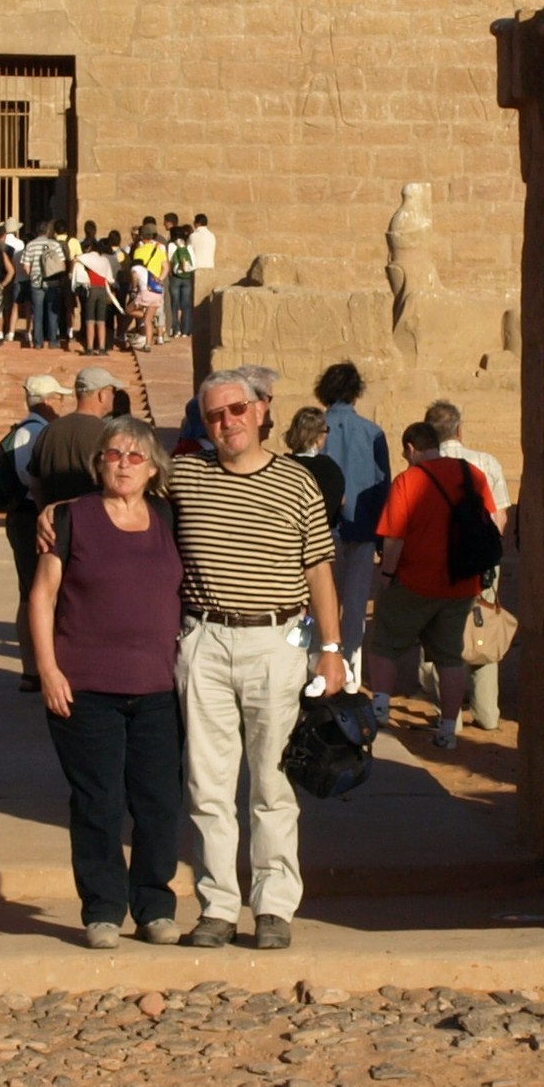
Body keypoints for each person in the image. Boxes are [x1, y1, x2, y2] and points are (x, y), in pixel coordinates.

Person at [162, 366, 344, 950]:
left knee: (273, 783)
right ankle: (217, 905)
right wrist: (54, 509)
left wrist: (333, 651)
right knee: (208, 784)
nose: (227, 423)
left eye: (236, 410)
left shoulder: (297, 483)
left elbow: (319, 569)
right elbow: (122, 479)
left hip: (277, 641)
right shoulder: (185, 476)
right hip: (206, 641)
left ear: (262, 411)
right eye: (215, 414)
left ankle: (273, 907)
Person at [23, 415, 188, 949]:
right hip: (85, 687)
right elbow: (43, 596)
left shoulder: (167, 515)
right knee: (98, 802)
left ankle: (155, 906)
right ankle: (102, 910)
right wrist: (47, 669)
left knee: (158, 802)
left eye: (135, 457)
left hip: (158, 689)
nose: (123, 464)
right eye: (114, 454)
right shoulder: (71, 518)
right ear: (98, 462)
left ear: (151, 468)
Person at [367, 421, 494, 749]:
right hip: (461, 582)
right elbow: (489, 520)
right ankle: (449, 728)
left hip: (415, 579)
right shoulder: (472, 475)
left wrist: (385, 575)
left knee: (385, 641)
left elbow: (394, 536)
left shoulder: (408, 480)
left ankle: (379, 708)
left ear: (410, 448)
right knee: (450, 656)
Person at [426, 399, 513, 733]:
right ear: (460, 429)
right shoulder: (485, 462)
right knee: (483, 625)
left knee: (441, 632)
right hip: (482, 560)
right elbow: (500, 517)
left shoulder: (427, 467)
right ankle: (487, 711)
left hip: (441, 560)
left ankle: (449, 714)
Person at [0, 375, 69, 691]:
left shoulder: (27, 430)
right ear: (48, 400)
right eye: (59, 398)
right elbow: (32, 479)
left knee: (30, 592)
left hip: (22, 516)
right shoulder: (34, 433)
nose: (63, 404)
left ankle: (32, 668)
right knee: (36, 592)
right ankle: (37, 668)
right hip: (29, 517)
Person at [314, 364, 390, 668]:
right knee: (356, 604)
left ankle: (320, 663)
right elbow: (382, 486)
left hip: (323, 529)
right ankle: (350, 669)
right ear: (356, 392)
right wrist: (383, 537)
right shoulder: (372, 432)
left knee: (321, 600)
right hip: (364, 526)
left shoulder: (316, 430)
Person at [33, 365, 121, 509]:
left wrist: (47, 512)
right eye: (113, 391)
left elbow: (34, 483)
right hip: (94, 519)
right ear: (102, 395)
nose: (114, 396)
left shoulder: (49, 430)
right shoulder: (107, 434)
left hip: (56, 522)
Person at [284, 404, 347, 542]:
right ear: (318, 436)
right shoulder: (329, 468)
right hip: (322, 539)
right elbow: (341, 502)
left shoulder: (281, 465)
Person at [19, 222, 67, 348]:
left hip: (36, 282)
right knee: (52, 313)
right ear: (48, 231)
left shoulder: (30, 245)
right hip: (53, 282)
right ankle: (52, 340)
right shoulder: (55, 245)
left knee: (37, 312)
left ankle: (38, 342)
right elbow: (62, 265)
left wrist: (33, 275)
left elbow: (25, 266)